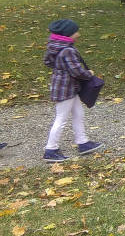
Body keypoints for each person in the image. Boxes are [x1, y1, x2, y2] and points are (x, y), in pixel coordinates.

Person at [42, 19, 103, 162]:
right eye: (76, 32)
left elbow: (47, 62)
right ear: (68, 34)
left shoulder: (54, 46)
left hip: (66, 87)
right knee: (61, 118)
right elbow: (77, 72)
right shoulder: (68, 50)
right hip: (66, 89)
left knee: (78, 113)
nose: (78, 34)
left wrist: (60, 70)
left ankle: (83, 142)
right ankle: (50, 149)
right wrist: (90, 73)